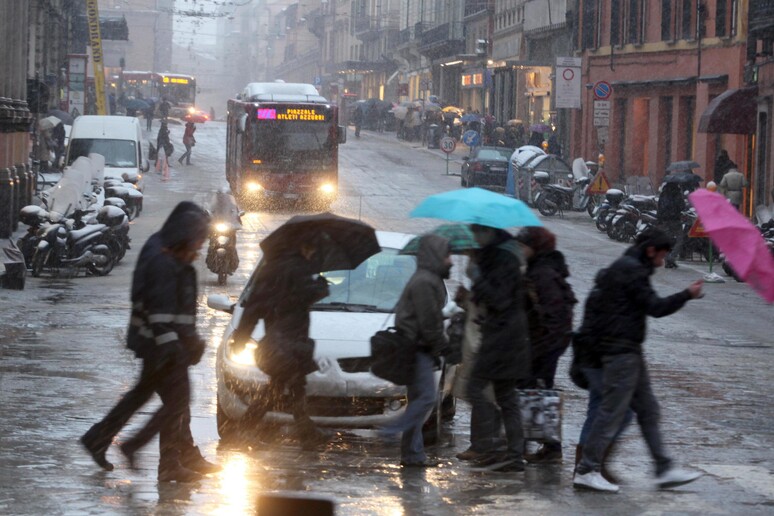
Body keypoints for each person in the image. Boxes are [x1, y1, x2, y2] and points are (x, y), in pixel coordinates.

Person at [81, 202, 219, 482]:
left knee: (145, 397)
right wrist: (177, 344)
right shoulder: (163, 258)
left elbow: (175, 310)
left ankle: (99, 438)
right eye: (200, 238)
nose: (202, 245)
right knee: (177, 403)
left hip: (160, 344)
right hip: (162, 346)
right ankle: (158, 457)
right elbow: (162, 311)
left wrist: (189, 340)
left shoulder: (168, 251)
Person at [573, 228, 704, 492]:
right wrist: (687, 294)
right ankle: (587, 469)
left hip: (628, 351)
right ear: (651, 250)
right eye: (662, 255)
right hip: (619, 353)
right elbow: (655, 307)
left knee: (648, 409)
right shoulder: (632, 270)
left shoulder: (628, 266)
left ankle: (664, 468)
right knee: (611, 413)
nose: (663, 261)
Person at [232, 239, 331, 447]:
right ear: (305, 246)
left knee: (290, 386)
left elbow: (253, 308)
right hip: (288, 341)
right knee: (280, 387)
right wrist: (321, 287)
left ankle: (306, 433)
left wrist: (241, 338)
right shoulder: (299, 268)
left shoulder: (269, 270)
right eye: (313, 248)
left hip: (277, 341)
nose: (314, 253)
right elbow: (304, 296)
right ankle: (245, 429)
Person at [379, 234, 451, 467]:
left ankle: (413, 454)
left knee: (418, 400)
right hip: (417, 348)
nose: (450, 260)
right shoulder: (425, 282)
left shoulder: (429, 279)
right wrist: (443, 347)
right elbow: (429, 323)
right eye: (447, 255)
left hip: (419, 347)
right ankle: (391, 430)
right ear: (437, 255)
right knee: (426, 398)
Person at [466, 224, 530, 472]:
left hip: (503, 340)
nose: (475, 237)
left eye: (478, 232)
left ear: (489, 233)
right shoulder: (497, 257)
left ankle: (494, 443)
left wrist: (479, 281)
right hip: (505, 336)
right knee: (506, 398)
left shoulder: (502, 259)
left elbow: (500, 299)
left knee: (476, 387)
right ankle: (512, 453)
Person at [516, 227, 577, 463]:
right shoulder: (537, 269)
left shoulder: (543, 274)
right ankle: (548, 447)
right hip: (541, 344)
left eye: (524, 246)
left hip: (543, 346)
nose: (520, 250)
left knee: (530, 393)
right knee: (536, 394)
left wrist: (539, 349)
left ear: (536, 248)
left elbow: (554, 316)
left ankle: (529, 447)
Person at [452, 256, 502, 462]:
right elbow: (473, 313)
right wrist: (464, 300)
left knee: (484, 397)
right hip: (475, 349)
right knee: (482, 397)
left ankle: (487, 445)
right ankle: (484, 444)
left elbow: (486, 317)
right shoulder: (481, 290)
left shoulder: (492, 291)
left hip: (484, 351)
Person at [656, 181, 685, 268]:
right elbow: (682, 206)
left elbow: (659, 206)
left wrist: (659, 219)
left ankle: (668, 259)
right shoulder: (677, 194)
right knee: (680, 239)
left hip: (664, 220)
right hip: (675, 220)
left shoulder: (663, 194)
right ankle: (672, 257)